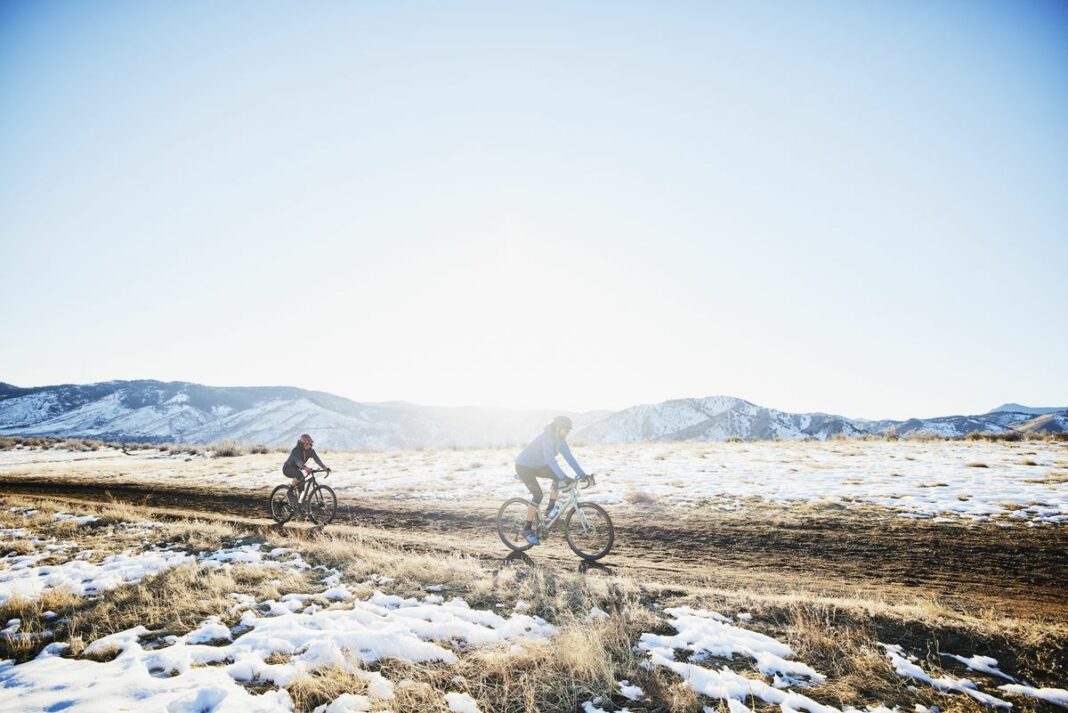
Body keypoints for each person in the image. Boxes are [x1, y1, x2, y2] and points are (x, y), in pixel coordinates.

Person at [515, 415, 588, 545]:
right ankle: (526, 529)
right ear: (558, 428)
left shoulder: (561, 441)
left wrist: (582, 474)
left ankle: (550, 509)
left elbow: (570, 458)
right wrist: (563, 477)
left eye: (568, 431)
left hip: (538, 465)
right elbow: (550, 459)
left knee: (558, 477)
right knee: (538, 495)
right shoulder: (547, 438)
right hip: (524, 466)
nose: (567, 433)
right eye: (566, 430)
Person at [282, 433, 330, 508]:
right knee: (299, 474)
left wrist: (324, 467)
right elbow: (298, 461)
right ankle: (289, 492)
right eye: (309, 444)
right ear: (303, 444)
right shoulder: (296, 450)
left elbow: (317, 459)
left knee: (302, 488)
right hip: (287, 468)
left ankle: (298, 505)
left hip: (297, 469)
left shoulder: (310, 451)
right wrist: (305, 468)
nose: (310, 446)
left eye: (311, 444)